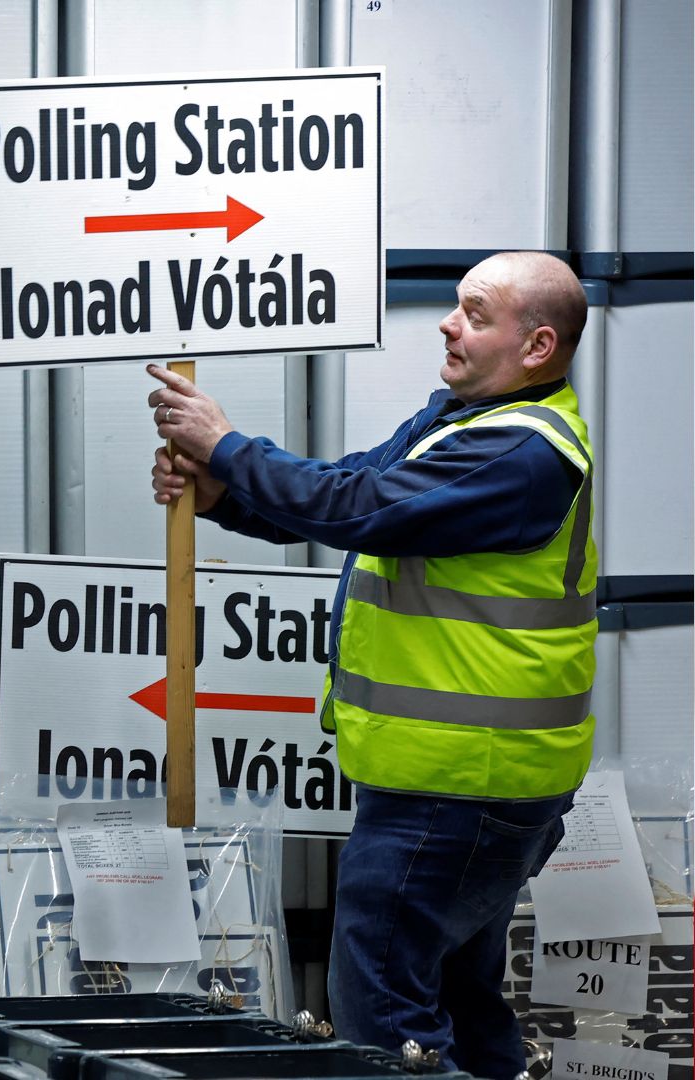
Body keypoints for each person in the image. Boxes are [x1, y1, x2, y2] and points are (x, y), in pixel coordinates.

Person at [145, 251, 594, 1078]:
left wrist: (226, 444)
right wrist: (225, 497)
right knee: (460, 998)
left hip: (457, 791)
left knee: (384, 1021)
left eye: (476, 312)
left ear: (536, 346)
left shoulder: (521, 455)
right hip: (469, 787)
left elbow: (357, 509)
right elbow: (355, 487)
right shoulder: (466, 421)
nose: (448, 323)